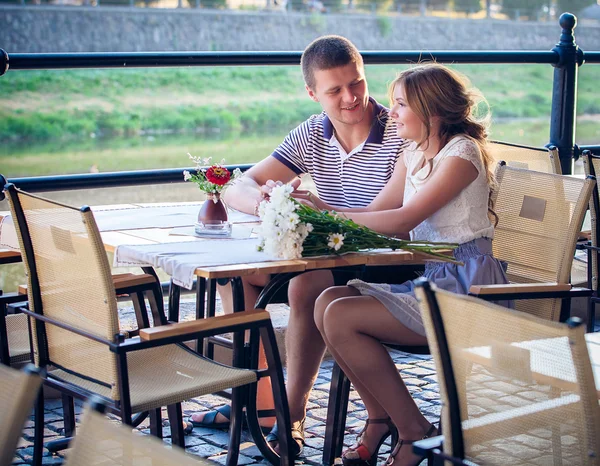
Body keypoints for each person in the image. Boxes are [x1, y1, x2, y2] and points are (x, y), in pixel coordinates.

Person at [188, 34, 408, 456]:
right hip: (327, 251)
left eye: (357, 83)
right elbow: (238, 183)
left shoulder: (398, 130)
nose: (351, 97)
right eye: (335, 90)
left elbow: (389, 223)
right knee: (242, 276)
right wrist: (265, 201)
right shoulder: (312, 134)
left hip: (381, 254)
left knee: (305, 286)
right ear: (312, 93)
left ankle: (292, 411)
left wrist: (320, 212)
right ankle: (262, 403)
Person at [313, 63, 510, 466]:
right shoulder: (413, 153)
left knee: (341, 317)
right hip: (434, 277)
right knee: (325, 301)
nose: (392, 113)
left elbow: (403, 221)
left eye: (400, 104)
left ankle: (411, 431)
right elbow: (376, 215)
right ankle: (386, 419)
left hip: (469, 286)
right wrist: (318, 218)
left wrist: (326, 213)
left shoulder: (462, 154)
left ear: (431, 110)